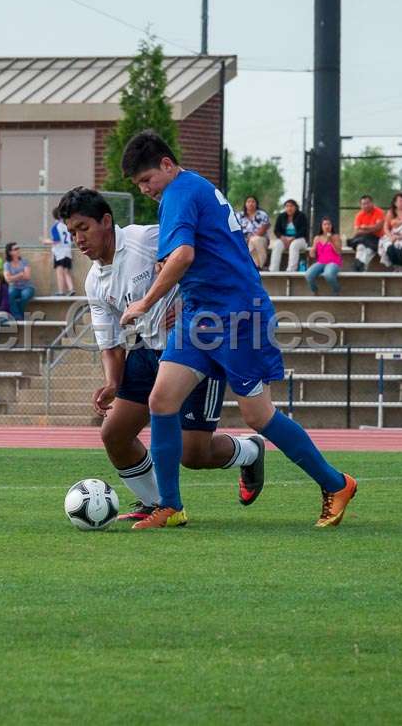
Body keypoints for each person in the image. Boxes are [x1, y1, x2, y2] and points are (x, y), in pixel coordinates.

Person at [116, 130, 356, 530]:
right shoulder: (188, 188)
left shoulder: (178, 192)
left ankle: (337, 483)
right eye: (139, 185)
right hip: (200, 315)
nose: (145, 190)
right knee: (161, 400)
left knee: (258, 416)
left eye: (146, 180)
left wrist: (145, 302)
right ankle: (169, 506)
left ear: (166, 164)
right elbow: (189, 256)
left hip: (235, 315)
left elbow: (184, 254)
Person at [58, 186, 265, 521]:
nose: (78, 239)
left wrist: (188, 302)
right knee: (114, 433)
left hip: (195, 346)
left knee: (193, 453)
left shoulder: (146, 239)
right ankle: (158, 504)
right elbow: (110, 343)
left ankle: (250, 451)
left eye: (84, 228)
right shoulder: (95, 282)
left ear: (106, 221)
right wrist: (112, 383)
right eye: (72, 233)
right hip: (146, 350)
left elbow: (197, 253)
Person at [268, 199, 309, 272]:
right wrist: (281, 237)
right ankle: (273, 269)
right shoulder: (281, 216)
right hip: (285, 238)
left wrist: (293, 238)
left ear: (296, 207)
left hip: (299, 239)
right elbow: (276, 230)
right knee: (277, 244)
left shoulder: (301, 216)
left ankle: (291, 270)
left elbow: (303, 230)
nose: (289, 208)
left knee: (294, 245)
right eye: (287, 206)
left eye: (291, 206)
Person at [304, 217, 343, 294]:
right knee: (308, 275)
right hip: (321, 262)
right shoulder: (317, 238)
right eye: (325, 224)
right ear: (321, 226)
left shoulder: (336, 237)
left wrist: (331, 240)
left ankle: (336, 289)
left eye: (329, 224)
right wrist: (312, 252)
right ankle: (315, 290)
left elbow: (339, 252)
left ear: (331, 226)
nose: (327, 226)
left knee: (328, 275)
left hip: (333, 262)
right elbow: (313, 254)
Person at [346, 194, 384, 271]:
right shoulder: (359, 215)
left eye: (368, 203)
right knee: (360, 247)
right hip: (363, 239)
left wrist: (365, 227)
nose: (366, 205)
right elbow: (357, 231)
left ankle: (358, 266)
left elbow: (378, 227)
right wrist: (371, 228)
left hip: (376, 238)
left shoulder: (379, 212)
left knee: (369, 250)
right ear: (361, 205)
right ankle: (361, 266)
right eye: (363, 204)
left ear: (372, 203)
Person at [3, 241, 35, 320]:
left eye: (18, 248)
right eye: (16, 249)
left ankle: (18, 315)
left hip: (27, 286)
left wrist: (13, 277)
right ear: (10, 252)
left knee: (25, 295)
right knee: (9, 295)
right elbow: (8, 279)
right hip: (14, 287)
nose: (18, 250)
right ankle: (18, 316)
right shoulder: (7, 264)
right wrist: (20, 275)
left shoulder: (24, 261)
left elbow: (27, 276)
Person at [237, 195, 270, 270]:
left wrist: (251, 238)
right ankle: (256, 266)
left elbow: (264, 228)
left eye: (253, 201)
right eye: (248, 202)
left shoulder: (262, 214)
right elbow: (237, 229)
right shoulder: (239, 215)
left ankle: (259, 265)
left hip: (261, 238)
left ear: (256, 204)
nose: (251, 203)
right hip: (244, 239)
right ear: (245, 204)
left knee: (254, 240)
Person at [46, 208, 75, 295]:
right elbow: (71, 239)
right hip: (68, 252)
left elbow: (57, 240)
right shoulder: (67, 226)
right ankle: (71, 289)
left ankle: (61, 291)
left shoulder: (56, 227)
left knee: (59, 272)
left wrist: (46, 241)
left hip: (59, 253)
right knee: (66, 271)